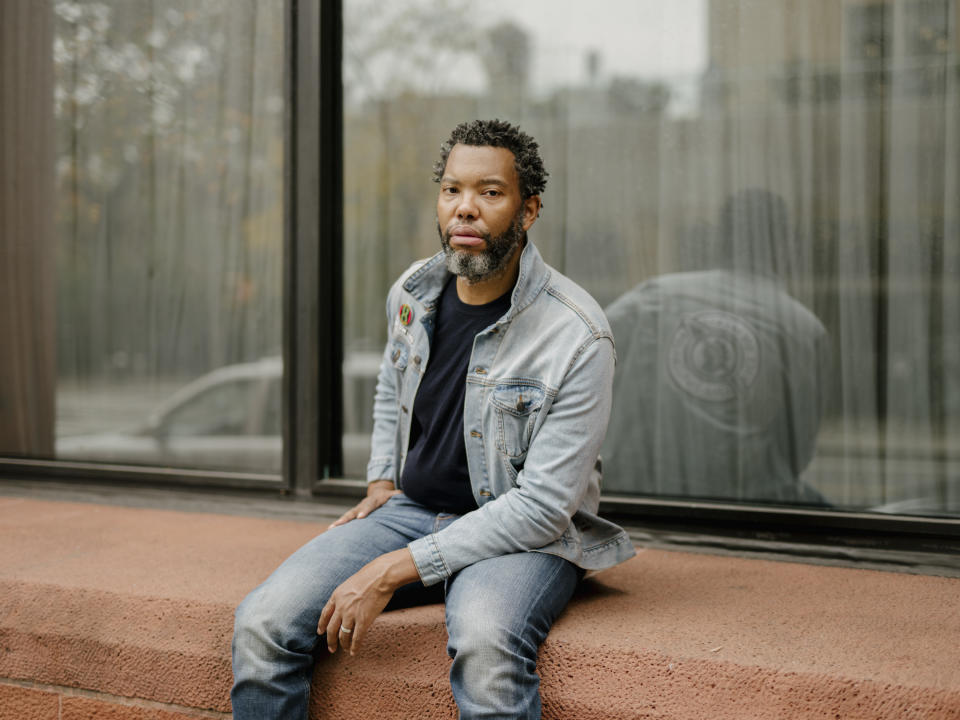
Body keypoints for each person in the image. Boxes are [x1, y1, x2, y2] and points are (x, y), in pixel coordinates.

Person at [231, 119, 635, 720]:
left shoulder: (577, 334)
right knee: (262, 622)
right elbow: (392, 380)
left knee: (487, 649)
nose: (465, 209)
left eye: (490, 193)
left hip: (519, 536)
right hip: (412, 512)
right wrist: (380, 479)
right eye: (451, 190)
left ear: (529, 211)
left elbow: (544, 508)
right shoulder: (412, 293)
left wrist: (392, 571)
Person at [601, 189, 831, 504]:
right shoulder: (803, 328)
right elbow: (798, 452)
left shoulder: (653, 298)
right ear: (784, 244)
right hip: (747, 509)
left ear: (720, 239)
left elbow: (580, 361)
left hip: (638, 502)